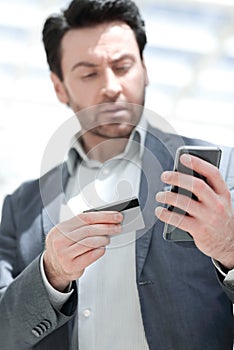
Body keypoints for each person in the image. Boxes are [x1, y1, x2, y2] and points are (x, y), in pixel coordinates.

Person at [0, 0, 233, 349]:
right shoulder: (21, 208)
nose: (111, 86)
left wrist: (229, 249)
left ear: (145, 68)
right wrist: (50, 275)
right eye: (89, 73)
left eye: (123, 66)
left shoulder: (221, 173)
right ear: (59, 87)